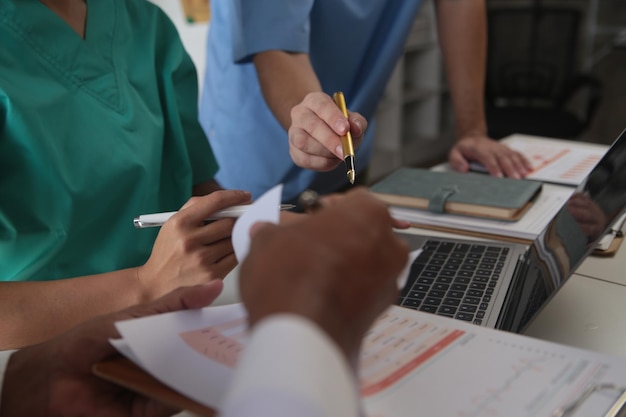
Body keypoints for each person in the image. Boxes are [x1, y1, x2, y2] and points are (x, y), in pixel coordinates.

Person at [0, 188, 409, 417]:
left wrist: (299, 236)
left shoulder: (149, 34)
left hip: (109, 362)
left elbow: (200, 191)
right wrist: (142, 284)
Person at [0, 0, 251, 350]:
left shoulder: (145, 26)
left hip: (174, 322)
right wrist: (144, 285)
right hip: (40, 351)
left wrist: (248, 224)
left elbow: (191, 180)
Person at [199, 0, 533, 203]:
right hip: (254, 150)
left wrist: (472, 130)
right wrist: (313, 123)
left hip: (348, 140)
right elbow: (277, 43)